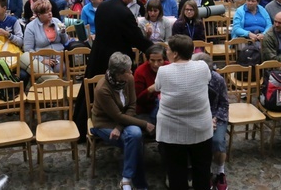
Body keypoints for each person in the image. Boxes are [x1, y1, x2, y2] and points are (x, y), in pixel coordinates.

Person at [153, 35, 213, 190]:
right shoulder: (202, 66)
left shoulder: (163, 71)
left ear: (175, 54)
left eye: (168, 49)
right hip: (200, 128)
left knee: (176, 172)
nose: (166, 52)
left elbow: (157, 87)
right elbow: (207, 80)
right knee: (202, 169)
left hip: (173, 130)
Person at [91, 52, 153, 190]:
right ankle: (140, 185)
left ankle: (126, 179)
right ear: (119, 73)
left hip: (124, 120)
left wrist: (119, 127)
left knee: (135, 136)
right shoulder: (103, 89)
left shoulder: (128, 79)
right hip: (105, 123)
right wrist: (145, 124)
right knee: (134, 140)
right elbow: (117, 116)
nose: (131, 72)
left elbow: (132, 105)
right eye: (128, 70)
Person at [191, 52, 229, 190]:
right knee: (197, 142)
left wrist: (214, 119)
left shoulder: (218, 79)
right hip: (196, 116)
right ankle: (203, 172)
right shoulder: (189, 79)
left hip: (216, 116)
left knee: (218, 141)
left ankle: (220, 171)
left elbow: (224, 104)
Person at [21, 0, 70, 78]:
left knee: (61, 70)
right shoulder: (31, 27)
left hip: (58, 56)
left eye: (50, 11)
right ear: (39, 15)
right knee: (48, 73)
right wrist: (42, 60)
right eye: (46, 12)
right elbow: (28, 49)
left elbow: (65, 41)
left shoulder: (56, 21)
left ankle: (61, 89)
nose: (50, 14)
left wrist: (63, 33)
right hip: (41, 57)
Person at [133, 44, 168, 122]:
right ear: (148, 60)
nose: (156, 64)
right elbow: (137, 100)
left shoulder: (168, 67)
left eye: (159, 60)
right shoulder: (140, 71)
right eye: (152, 60)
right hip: (146, 110)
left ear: (164, 59)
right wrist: (149, 90)